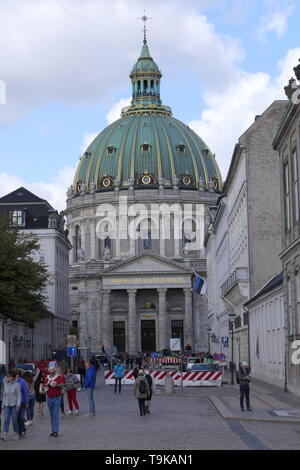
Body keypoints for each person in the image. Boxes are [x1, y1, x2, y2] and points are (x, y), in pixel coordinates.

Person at [43, 367, 65, 437]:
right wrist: (48, 386)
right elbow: (44, 388)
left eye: (53, 372)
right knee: (52, 415)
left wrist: (57, 385)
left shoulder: (58, 377)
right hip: (49, 398)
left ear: (55, 371)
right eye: (50, 372)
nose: (52, 373)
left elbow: (62, 386)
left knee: (55, 414)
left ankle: (55, 431)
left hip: (57, 397)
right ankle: (53, 430)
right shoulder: (46, 378)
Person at [0, 371, 21, 441]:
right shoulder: (6, 384)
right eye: (7, 376)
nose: (7, 377)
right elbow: (4, 395)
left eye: (9, 376)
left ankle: (17, 433)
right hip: (6, 405)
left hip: (14, 405)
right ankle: (4, 434)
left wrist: (18, 404)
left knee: (14, 420)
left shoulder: (17, 385)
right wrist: (2, 404)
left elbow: (19, 396)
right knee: (6, 420)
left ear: (13, 377)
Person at [14, 368, 29, 438]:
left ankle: (22, 430)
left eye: (17, 375)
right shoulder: (12, 381)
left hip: (22, 402)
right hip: (15, 403)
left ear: (19, 375)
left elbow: (26, 392)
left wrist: (26, 402)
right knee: (16, 418)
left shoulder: (22, 382)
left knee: (21, 417)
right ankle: (20, 430)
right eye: (15, 375)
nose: (16, 377)